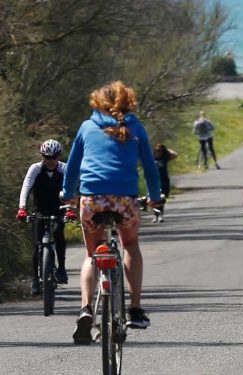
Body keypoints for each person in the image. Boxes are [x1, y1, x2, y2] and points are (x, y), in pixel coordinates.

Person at [62, 81, 163, 344]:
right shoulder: (136, 128)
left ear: (96, 102)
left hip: (91, 199)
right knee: (130, 244)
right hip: (125, 199)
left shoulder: (87, 127)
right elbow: (151, 169)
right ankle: (135, 309)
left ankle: (85, 309)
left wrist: (68, 193)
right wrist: (154, 197)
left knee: (92, 253)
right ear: (128, 101)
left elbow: (72, 167)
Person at [17, 139, 74, 293]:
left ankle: (61, 269)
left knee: (58, 232)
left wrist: (70, 209)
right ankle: (36, 280)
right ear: (43, 156)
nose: (51, 161)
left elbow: (71, 189)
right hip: (39, 211)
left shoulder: (64, 168)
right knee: (36, 246)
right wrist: (22, 208)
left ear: (58, 156)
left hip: (59, 209)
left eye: (54, 157)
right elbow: (26, 188)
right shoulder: (35, 169)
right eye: (47, 157)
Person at [153, 144, 178, 223]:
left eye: (160, 151)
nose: (158, 152)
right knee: (154, 199)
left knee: (162, 198)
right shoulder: (151, 158)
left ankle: (160, 215)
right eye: (157, 151)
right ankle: (155, 216)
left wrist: (167, 149)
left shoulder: (165, 158)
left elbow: (175, 155)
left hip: (164, 180)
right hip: (154, 181)